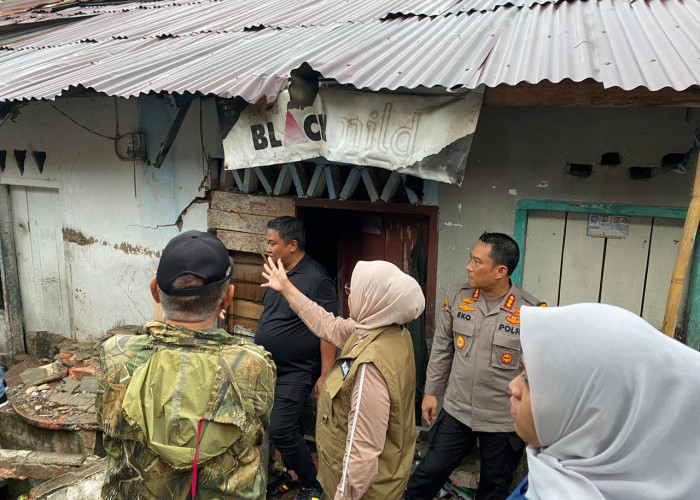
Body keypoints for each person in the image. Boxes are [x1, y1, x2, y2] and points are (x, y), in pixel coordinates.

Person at [97, 230, 276, 500]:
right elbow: (258, 431)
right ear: (228, 297)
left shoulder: (116, 353)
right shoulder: (253, 364)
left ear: (155, 291)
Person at [262, 257, 424, 500]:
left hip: (363, 491)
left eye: (353, 289)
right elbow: (328, 324)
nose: (348, 295)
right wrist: (287, 287)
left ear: (373, 300)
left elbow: (362, 454)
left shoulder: (371, 367)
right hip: (382, 477)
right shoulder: (392, 333)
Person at [507, 303, 700, 500]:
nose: (513, 386)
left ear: (600, 414)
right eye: (522, 372)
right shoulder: (554, 467)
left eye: (530, 381)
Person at [406, 232, 544, 500]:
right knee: (429, 473)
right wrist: (432, 392)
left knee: (494, 487)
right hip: (458, 412)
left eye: (477, 261)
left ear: (500, 271)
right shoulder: (458, 298)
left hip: (503, 420)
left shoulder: (529, 311)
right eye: (470, 259)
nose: (468, 267)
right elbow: (442, 348)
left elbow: (537, 372)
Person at [255, 216, 338, 500]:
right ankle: (292, 475)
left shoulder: (317, 278)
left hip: (297, 370)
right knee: (280, 426)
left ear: (292, 245)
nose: (267, 248)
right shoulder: (276, 270)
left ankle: (312, 483)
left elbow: (329, 327)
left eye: (271, 242)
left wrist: (326, 372)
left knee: (280, 428)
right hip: (268, 367)